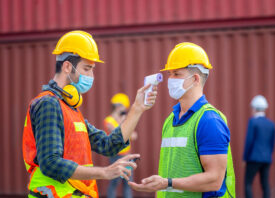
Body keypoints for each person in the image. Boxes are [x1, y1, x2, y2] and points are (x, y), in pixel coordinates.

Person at [22, 30, 157, 198]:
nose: (91, 76)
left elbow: (108, 145)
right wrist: (104, 172)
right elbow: (50, 163)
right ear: (67, 66)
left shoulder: (70, 108)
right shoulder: (48, 104)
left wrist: (137, 108)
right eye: (87, 69)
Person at [129, 42, 235, 198]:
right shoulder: (170, 119)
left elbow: (214, 180)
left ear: (195, 79)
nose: (170, 79)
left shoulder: (209, 121)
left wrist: (167, 183)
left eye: (176, 74)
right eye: (170, 74)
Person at [104, 93, 138, 198]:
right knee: (114, 181)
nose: (124, 110)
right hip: (116, 156)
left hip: (127, 156)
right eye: (123, 107)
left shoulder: (124, 121)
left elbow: (134, 136)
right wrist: (122, 121)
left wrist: (125, 122)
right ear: (118, 106)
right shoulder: (109, 120)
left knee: (128, 182)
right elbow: (119, 134)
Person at [243, 95, 275, 198]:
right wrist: (268, 155)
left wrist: (245, 158)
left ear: (254, 108)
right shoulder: (271, 124)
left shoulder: (253, 122)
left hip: (253, 158)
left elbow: (249, 141)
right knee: (265, 184)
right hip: (266, 159)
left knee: (248, 183)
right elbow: (272, 143)